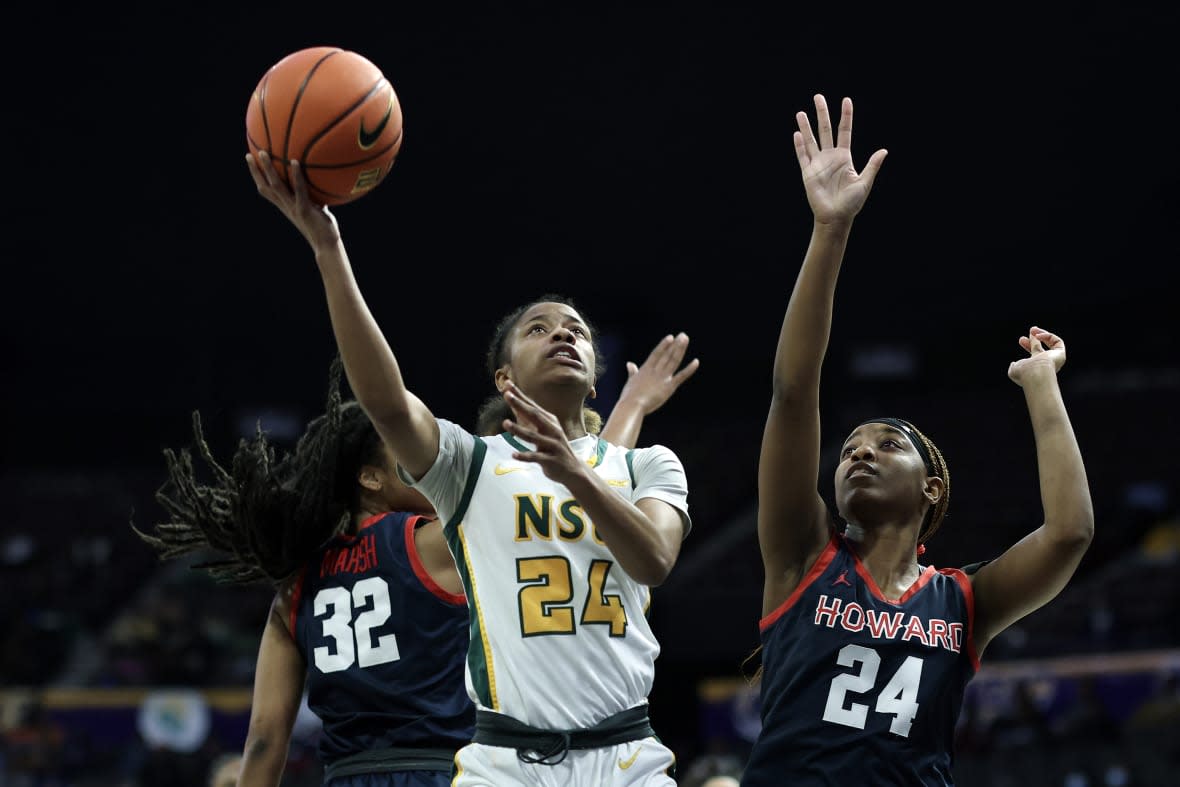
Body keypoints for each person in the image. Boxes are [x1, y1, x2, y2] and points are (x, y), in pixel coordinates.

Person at [246, 149, 695, 786]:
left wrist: (584, 460)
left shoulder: (648, 464)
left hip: (626, 755)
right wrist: (328, 248)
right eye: (539, 328)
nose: (563, 334)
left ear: (595, 379)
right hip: (503, 761)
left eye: (577, 331)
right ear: (504, 376)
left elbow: (653, 559)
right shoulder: (471, 467)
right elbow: (384, 399)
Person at [135, 337, 695, 786]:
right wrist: (629, 409)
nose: (419, 463)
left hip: (347, 775)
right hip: (452, 768)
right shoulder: (433, 541)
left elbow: (263, 742)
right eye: (401, 459)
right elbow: (555, 516)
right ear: (372, 478)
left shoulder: (294, 587)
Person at [739, 94, 1094, 785]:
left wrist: (1041, 383)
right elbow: (793, 391)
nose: (859, 451)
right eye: (848, 448)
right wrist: (829, 231)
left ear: (932, 488)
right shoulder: (801, 554)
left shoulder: (962, 601)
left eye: (886, 444)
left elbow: (1071, 532)